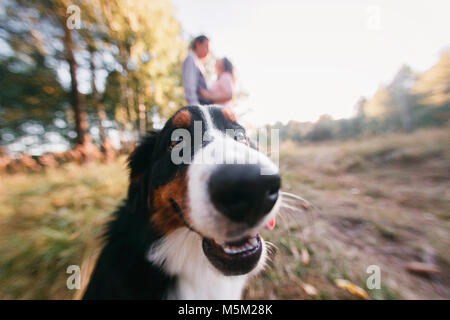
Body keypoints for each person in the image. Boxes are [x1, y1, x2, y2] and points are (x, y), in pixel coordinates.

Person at [181, 35, 211, 105]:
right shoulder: (191, 59)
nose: (208, 50)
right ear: (198, 44)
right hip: (199, 104)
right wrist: (196, 107)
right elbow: (189, 85)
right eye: (206, 46)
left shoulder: (199, 63)